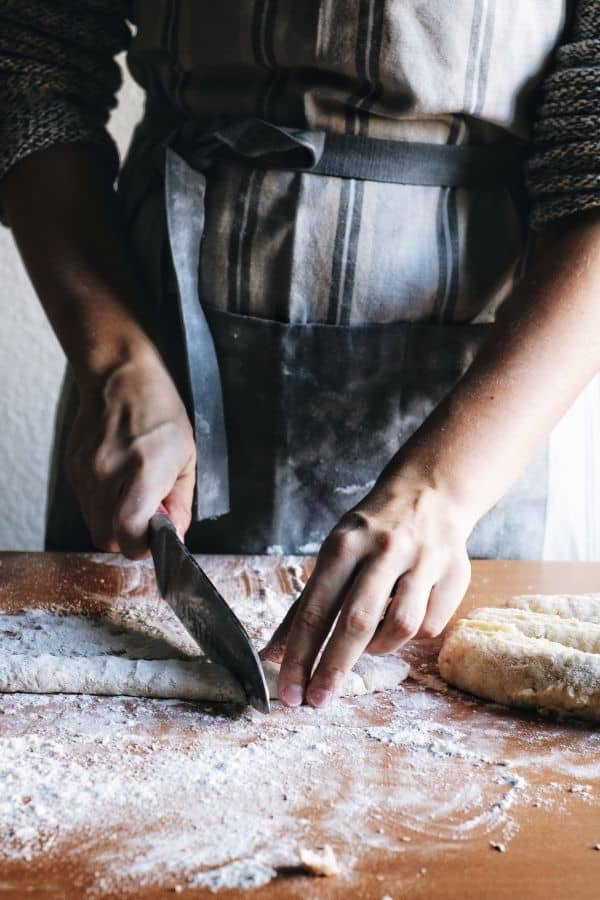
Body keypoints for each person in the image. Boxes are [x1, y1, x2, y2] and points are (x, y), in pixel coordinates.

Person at [1, 1, 599, 709]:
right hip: (148, 344)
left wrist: (445, 487)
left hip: (490, 399)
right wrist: (116, 358)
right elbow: (31, 63)